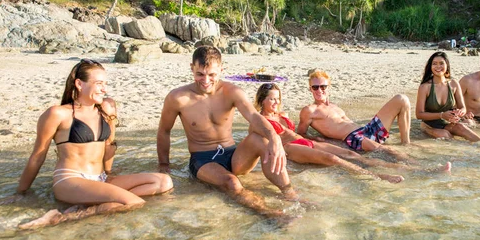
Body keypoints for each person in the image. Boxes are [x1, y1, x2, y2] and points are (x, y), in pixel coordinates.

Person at [17, 59, 173, 229]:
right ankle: (63, 217)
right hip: (70, 179)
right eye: (99, 84)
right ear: (79, 84)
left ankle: (98, 202)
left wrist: (108, 172)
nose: (104, 89)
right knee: (134, 202)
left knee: (164, 182)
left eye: (105, 84)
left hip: (100, 179)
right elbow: (38, 156)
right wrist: (21, 192)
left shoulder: (105, 109)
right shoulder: (58, 114)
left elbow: (109, 145)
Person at [157, 46, 300, 220]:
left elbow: (254, 116)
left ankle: (291, 194)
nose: (206, 80)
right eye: (200, 74)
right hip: (203, 160)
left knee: (260, 139)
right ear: (192, 68)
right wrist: (164, 165)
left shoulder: (231, 92)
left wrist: (274, 137)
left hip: (233, 156)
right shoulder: (178, 97)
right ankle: (270, 214)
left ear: (221, 70)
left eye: (212, 74)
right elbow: (164, 131)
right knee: (231, 182)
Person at [255, 83, 411, 184]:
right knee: (332, 159)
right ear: (262, 100)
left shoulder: (282, 115)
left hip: (307, 142)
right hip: (290, 148)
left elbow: (298, 133)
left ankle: (394, 166)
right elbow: (258, 142)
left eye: (277, 99)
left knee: (351, 155)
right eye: (272, 99)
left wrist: (314, 136)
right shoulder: (260, 119)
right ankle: (376, 176)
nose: (276, 102)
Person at [297, 70, 411, 161]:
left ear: (329, 87)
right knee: (391, 152)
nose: (319, 90)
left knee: (401, 99)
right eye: (315, 87)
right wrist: (316, 138)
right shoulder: (310, 110)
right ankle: (417, 166)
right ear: (310, 89)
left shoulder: (334, 106)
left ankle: (406, 143)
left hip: (366, 129)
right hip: (354, 138)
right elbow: (300, 133)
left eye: (323, 87)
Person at [416, 52, 480, 146]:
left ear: (447, 65)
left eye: (441, 63)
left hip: (447, 123)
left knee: (462, 128)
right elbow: (419, 114)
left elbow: (462, 107)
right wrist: (442, 115)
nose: (438, 66)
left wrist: (460, 113)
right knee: (445, 135)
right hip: (428, 125)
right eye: (434, 64)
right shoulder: (425, 87)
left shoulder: (453, 84)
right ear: (430, 67)